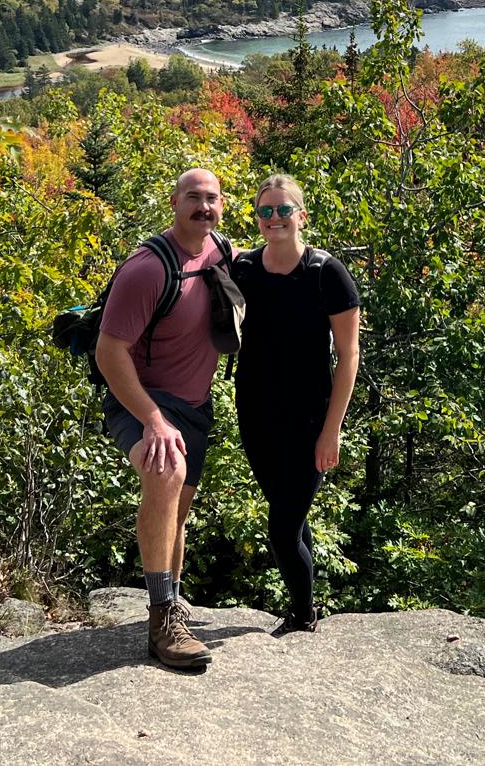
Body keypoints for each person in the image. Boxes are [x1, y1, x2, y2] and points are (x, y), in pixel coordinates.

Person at [94, 167, 231, 670]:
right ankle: (161, 619)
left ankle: (171, 593)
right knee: (164, 471)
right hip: (141, 398)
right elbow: (110, 354)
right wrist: (151, 418)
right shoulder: (148, 269)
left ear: (222, 206)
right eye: (193, 198)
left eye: (212, 198)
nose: (203, 207)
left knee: (179, 507)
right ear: (173, 202)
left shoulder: (220, 251)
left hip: (194, 405)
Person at [231, 173, 362, 636]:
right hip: (255, 413)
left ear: (301, 216)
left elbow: (348, 356)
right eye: (265, 210)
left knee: (283, 526)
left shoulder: (326, 272)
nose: (274, 218)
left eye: (284, 209)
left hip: (310, 419)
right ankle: (304, 605)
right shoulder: (242, 268)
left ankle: (303, 616)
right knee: (290, 513)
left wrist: (333, 430)